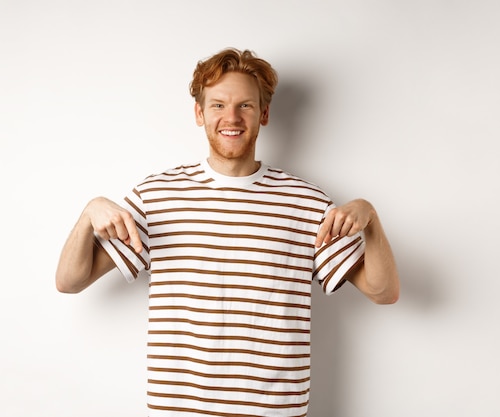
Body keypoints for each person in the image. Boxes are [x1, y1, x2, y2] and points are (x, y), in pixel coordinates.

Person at [56, 48, 399, 417]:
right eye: (218, 105)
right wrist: (88, 213)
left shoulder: (307, 203)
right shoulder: (157, 196)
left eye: (245, 106)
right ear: (200, 113)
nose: (231, 117)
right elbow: (69, 281)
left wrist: (372, 220)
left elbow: (384, 292)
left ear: (264, 114)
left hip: (275, 410)